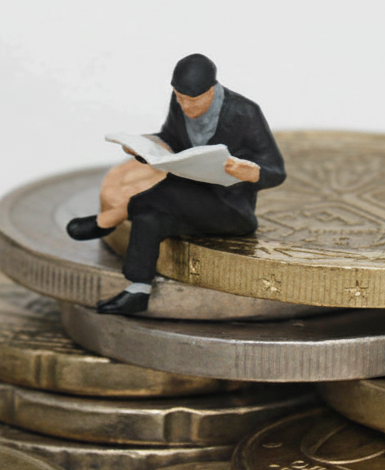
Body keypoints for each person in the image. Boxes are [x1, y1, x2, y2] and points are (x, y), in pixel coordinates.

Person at [66, 53, 286, 315]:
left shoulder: (245, 112)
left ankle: (110, 218)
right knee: (149, 217)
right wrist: (146, 147)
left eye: (193, 100)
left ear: (212, 90)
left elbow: (276, 169)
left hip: (229, 209)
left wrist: (250, 172)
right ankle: (138, 290)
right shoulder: (178, 102)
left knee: (164, 195)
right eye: (179, 98)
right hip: (186, 195)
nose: (185, 106)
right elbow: (171, 138)